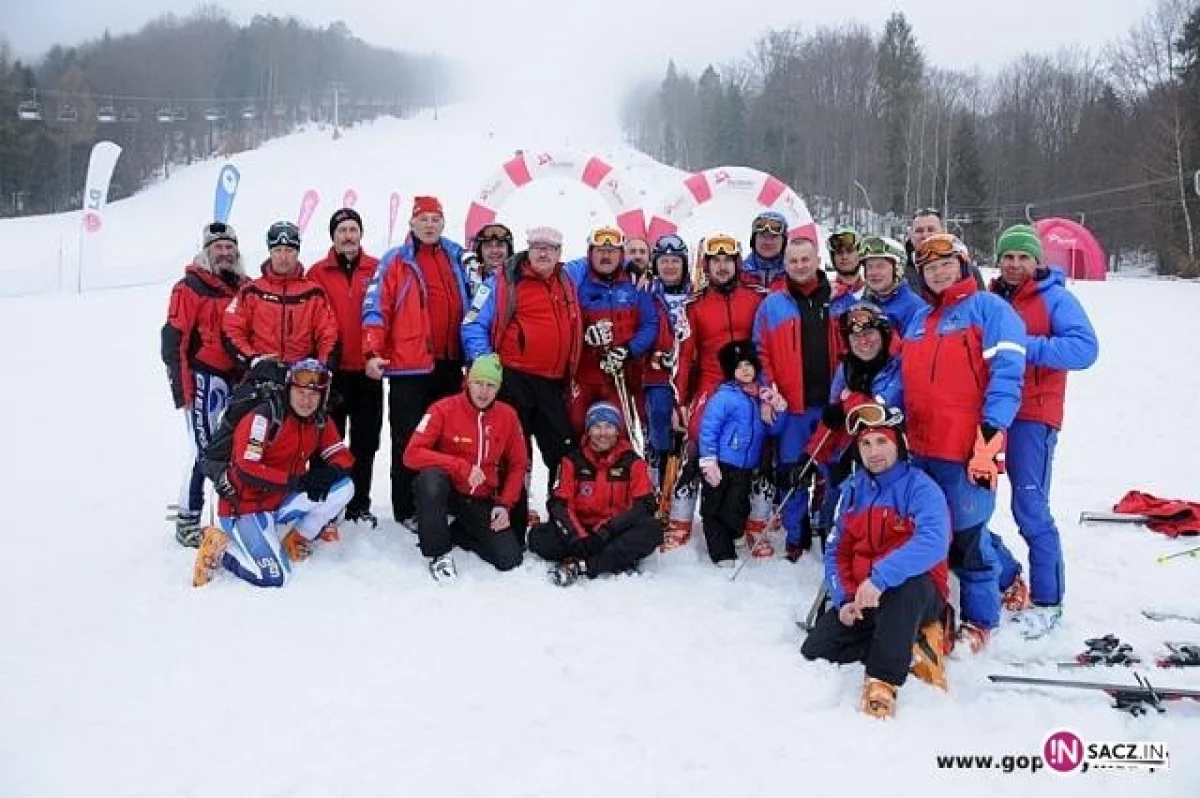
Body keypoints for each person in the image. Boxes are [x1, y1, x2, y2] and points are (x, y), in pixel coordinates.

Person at [901, 233, 1026, 652]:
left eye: (946, 264)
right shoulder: (920, 320)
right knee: (939, 530)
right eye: (930, 267)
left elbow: (1008, 375)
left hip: (967, 448)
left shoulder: (990, 310)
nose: (938, 272)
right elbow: (905, 381)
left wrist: (991, 434)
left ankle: (981, 618)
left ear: (963, 264)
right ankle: (1007, 574)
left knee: (969, 538)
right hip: (921, 449)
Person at [801, 402, 951, 719]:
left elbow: (933, 541)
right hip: (865, 594)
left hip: (914, 591)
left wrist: (880, 578)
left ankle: (882, 678)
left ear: (899, 443)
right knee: (816, 648)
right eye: (866, 444)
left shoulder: (920, 488)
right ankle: (912, 641)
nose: (874, 451)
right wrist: (843, 600)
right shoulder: (852, 491)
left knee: (905, 592)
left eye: (882, 441)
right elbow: (836, 551)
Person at [988, 225, 1099, 638]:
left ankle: (1049, 600)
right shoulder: (991, 297)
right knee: (970, 504)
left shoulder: (1056, 298)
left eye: (1023, 257)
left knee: (1030, 508)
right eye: (1008, 257)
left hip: (1034, 415)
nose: (1015, 265)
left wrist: (1025, 347)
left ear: (1037, 261)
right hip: (989, 412)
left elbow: (1085, 348)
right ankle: (1005, 575)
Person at [461, 226, 582, 535]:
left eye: (551, 248)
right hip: (514, 378)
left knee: (562, 451)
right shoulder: (502, 281)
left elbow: (605, 263)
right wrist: (487, 364)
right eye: (537, 247)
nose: (544, 253)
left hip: (553, 382)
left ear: (560, 253)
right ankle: (510, 518)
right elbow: (472, 324)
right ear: (527, 249)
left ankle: (560, 514)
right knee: (514, 453)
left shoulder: (567, 280)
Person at [193, 360, 354, 588]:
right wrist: (297, 482)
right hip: (246, 506)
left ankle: (297, 538)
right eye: (300, 393)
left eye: (313, 395)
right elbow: (247, 469)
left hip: (281, 499)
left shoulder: (319, 420)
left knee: (344, 486)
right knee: (274, 577)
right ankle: (221, 550)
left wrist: (329, 474)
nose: (306, 401)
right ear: (289, 389)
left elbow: (341, 455)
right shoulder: (263, 418)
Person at [362, 196, 470, 527]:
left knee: (448, 438)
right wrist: (372, 351)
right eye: (422, 219)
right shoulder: (396, 260)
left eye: (435, 219)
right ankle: (407, 507)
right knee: (409, 438)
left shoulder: (456, 256)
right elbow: (375, 308)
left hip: (450, 363)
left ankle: (442, 501)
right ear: (411, 224)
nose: (429, 225)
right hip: (410, 367)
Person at [162, 221, 249, 546]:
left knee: (235, 447)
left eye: (229, 248)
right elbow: (174, 340)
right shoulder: (190, 287)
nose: (224, 253)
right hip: (203, 378)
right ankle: (187, 518)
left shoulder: (243, 286)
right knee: (204, 450)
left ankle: (235, 511)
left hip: (236, 378)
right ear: (207, 251)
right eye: (218, 248)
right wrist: (182, 390)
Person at [403, 354, 527, 581]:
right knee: (430, 479)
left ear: (498, 388)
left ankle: (460, 531)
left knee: (510, 558)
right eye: (478, 383)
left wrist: (505, 505)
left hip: (481, 497)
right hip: (448, 490)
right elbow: (411, 454)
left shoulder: (507, 416)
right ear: (467, 381)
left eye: (491, 385)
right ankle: (438, 551)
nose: (483, 391)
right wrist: (460, 466)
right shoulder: (442, 409)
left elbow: (519, 465)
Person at [799, 302, 904, 557]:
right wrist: (811, 456)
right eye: (855, 336)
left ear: (883, 333)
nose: (862, 342)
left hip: (892, 458)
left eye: (868, 333)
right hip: (851, 454)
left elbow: (879, 412)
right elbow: (832, 421)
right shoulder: (846, 368)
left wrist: (849, 403)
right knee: (837, 497)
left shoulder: (899, 365)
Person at [753, 238, 836, 557]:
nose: (800, 266)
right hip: (792, 406)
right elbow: (761, 351)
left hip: (830, 406)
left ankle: (829, 528)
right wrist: (769, 389)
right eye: (793, 261)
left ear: (817, 260)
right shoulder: (773, 305)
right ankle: (795, 533)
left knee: (832, 473)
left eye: (806, 259)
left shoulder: (838, 300)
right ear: (785, 264)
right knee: (791, 472)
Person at [306, 208, 383, 527]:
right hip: (330, 375)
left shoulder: (377, 268)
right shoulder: (317, 273)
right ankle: (326, 504)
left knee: (366, 442)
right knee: (325, 444)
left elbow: (385, 313)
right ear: (333, 236)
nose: (348, 235)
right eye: (342, 231)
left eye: (353, 229)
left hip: (368, 372)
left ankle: (359, 503)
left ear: (360, 233)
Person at [529, 401, 662, 586]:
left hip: (615, 531)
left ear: (618, 431)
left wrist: (607, 531)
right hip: (582, 531)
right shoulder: (571, 461)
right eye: (596, 426)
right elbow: (559, 504)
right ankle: (613, 560)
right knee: (538, 537)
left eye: (609, 426)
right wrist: (577, 537)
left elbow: (643, 506)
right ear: (588, 431)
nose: (602, 433)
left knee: (652, 530)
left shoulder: (633, 463)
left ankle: (583, 565)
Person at [698, 340, 787, 565]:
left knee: (736, 506)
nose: (745, 370)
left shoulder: (760, 398)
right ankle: (722, 553)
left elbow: (773, 428)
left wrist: (779, 408)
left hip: (745, 466)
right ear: (731, 371)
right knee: (715, 508)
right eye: (739, 366)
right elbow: (709, 428)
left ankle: (734, 533)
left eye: (749, 364)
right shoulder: (724, 397)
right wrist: (708, 460)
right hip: (721, 463)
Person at [565, 225, 658, 436]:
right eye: (600, 251)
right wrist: (585, 335)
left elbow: (650, 324)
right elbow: (565, 322)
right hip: (585, 374)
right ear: (590, 253)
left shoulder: (635, 283)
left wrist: (628, 350)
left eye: (612, 251)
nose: (606, 256)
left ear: (621, 254)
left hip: (622, 375)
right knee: (578, 426)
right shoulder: (577, 284)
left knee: (619, 431)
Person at [222, 220, 339, 369]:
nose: (283, 257)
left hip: (300, 376)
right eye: (278, 250)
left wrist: (323, 367)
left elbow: (328, 334)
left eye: (289, 250)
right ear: (270, 252)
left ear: (298, 252)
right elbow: (231, 329)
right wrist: (252, 359)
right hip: (261, 371)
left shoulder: (314, 294)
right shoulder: (251, 291)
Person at [643, 234, 692, 487]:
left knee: (688, 431)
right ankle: (657, 486)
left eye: (675, 261)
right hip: (657, 377)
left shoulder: (696, 296)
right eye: (664, 261)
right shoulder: (646, 296)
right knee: (659, 425)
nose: (670, 266)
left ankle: (682, 488)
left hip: (689, 378)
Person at [858, 235, 926, 336]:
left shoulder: (915, 309)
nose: (873, 272)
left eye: (880, 266)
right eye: (869, 266)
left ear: (898, 269)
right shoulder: (863, 304)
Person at [903, 209, 984, 292]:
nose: (925, 235)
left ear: (943, 232)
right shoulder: (899, 273)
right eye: (919, 231)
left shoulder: (968, 271)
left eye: (931, 229)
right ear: (911, 235)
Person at [466, 222, 514, 301]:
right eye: (488, 246)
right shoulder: (467, 277)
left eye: (500, 245)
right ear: (479, 251)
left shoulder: (517, 279)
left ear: (508, 250)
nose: (494, 251)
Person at [741, 211, 788, 289]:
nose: (768, 242)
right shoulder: (738, 275)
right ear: (754, 240)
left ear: (783, 241)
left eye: (773, 237)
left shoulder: (795, 275)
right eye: (762, 236)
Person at [827, 226, 865, 307]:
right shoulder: (823, 295)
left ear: (860, 254)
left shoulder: (875, 294)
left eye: (850, 251)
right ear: (833, 258)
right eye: (839, 252)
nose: (844, 256)